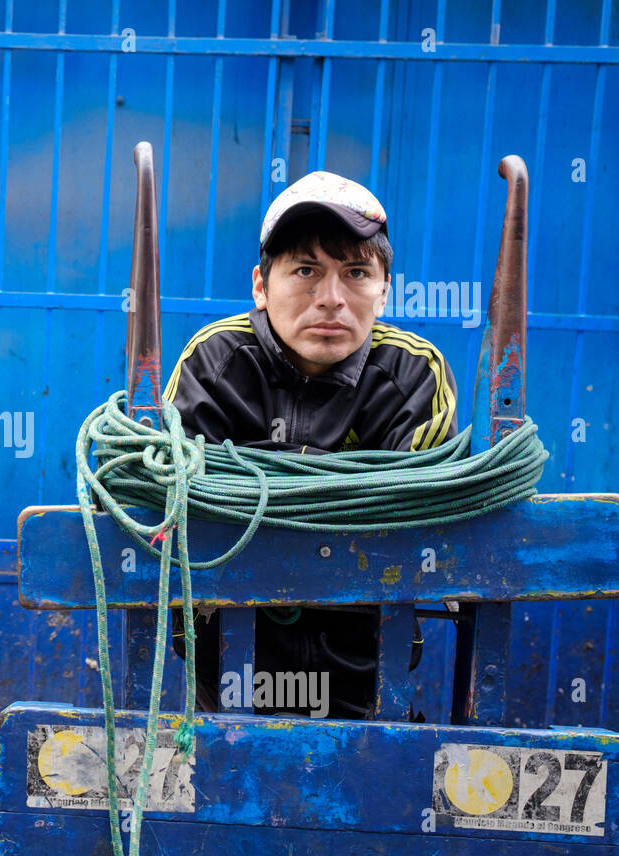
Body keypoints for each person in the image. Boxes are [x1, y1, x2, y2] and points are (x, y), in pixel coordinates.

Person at [163, 170, 457, 718]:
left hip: (365, 669)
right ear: (260, 284)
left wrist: (256, 481)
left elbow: (406, 513)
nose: (331, 299)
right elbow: (183, 501)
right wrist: (334, 483)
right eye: (305, 271)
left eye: (356, 273)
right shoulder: (214, 360)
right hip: (222, 670)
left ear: (384, 289)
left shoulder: (416, 371)